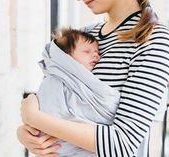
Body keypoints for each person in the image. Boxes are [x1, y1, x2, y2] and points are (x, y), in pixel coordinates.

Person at [17, 0, 169, 157]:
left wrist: (35, 118)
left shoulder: (152, 39)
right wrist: (28, 133)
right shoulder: (83, 37)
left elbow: (122, 144)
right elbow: (52, 98)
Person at [35, 27, 120, 156]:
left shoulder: (86, 81)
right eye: (87, 51)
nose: (96, 55)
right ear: (67, 58)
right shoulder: (54, 81)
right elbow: (50, 113)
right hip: (62, 147)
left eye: (97, 52)